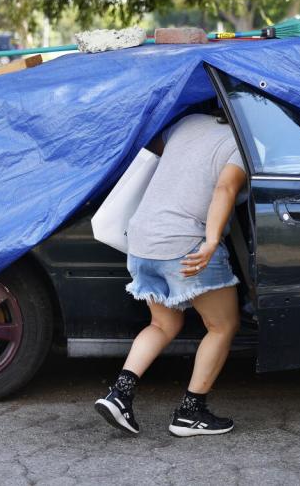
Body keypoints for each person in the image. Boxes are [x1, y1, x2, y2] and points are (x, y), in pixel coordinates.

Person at [94, 110, 247, 437]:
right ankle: (191, 413)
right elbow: (225, 189)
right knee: (223, 325)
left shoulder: (186, 122)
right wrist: (211, 241)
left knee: (163, 323)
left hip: (140, 239)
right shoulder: (242, 144)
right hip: (183, 242)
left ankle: (119, 394)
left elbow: (152, 152)